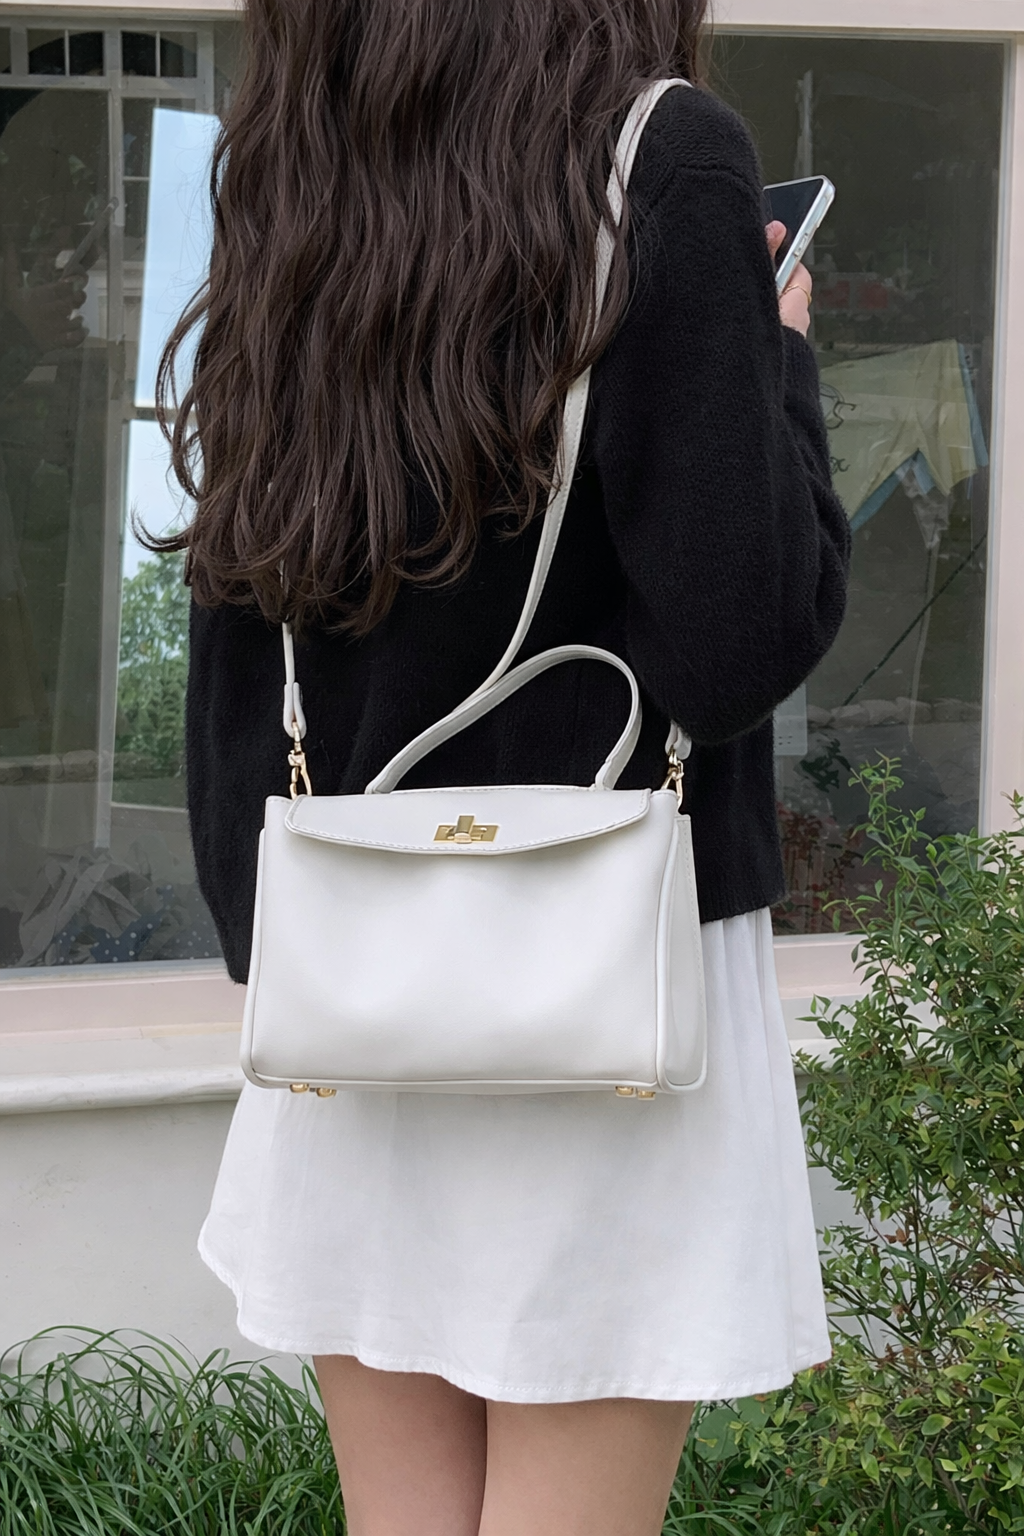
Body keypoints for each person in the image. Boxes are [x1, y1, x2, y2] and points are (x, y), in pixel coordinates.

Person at [158, 1, 849, 1530]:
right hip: (612, 977)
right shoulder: (666, 158)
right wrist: (778, 360)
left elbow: (241, 590)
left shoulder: (297, 155)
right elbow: (740, 640)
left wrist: (259, 919)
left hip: (356, 973)